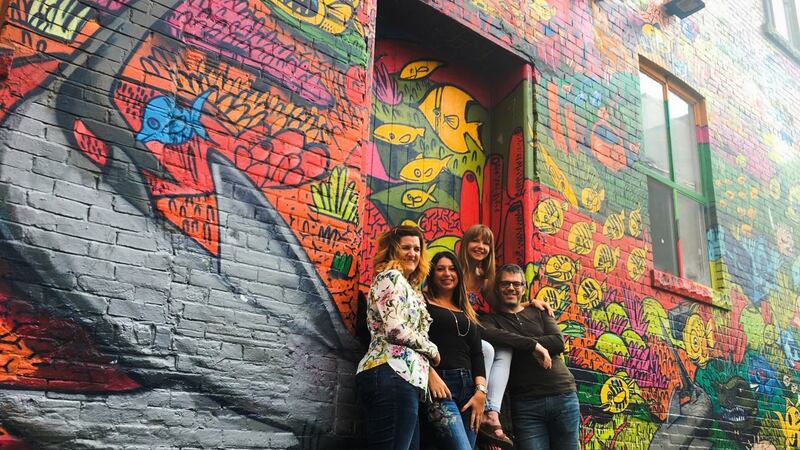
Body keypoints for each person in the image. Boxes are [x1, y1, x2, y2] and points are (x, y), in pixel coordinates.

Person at [458, 224, 550, 448]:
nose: (480, 247)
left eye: (486, 243)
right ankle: (478, 397)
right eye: (475, 241)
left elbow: (505, 306)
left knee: (504, 349)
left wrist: (530, 303)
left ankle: (491, 412)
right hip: (457, 332)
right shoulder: (453, 271)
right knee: (488, 349)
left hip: (477, 333)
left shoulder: (485, 280)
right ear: (466, 244)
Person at [356, 225, 441, 450]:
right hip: (392, 371)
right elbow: (395, 329)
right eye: (406, 248)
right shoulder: (390, 277)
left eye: (417, 249)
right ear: (393, 250)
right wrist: (431, 350)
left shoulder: (409, 287)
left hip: (403, 377)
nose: (412, 253)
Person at [480, 264, 579, 450]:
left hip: (563, 395)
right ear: (497, 288)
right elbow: (489, 334)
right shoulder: (489, 321)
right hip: (526, 405)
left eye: (516, 284)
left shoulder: (539, 312)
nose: (511, 288)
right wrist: (534, 345)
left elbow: (558, 342)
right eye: (505, 284)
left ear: (523, 288)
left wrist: (515, 341)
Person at [423, 251, 487, 450]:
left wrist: (481, 392)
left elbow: (477, 354)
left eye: (452, 269)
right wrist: (429, 373)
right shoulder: (422, 301)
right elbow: (415, 341)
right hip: (440, 387)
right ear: (431, 273)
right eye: (440, 269)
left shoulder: (466, 310)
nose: (447, 274)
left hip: (470, 391)